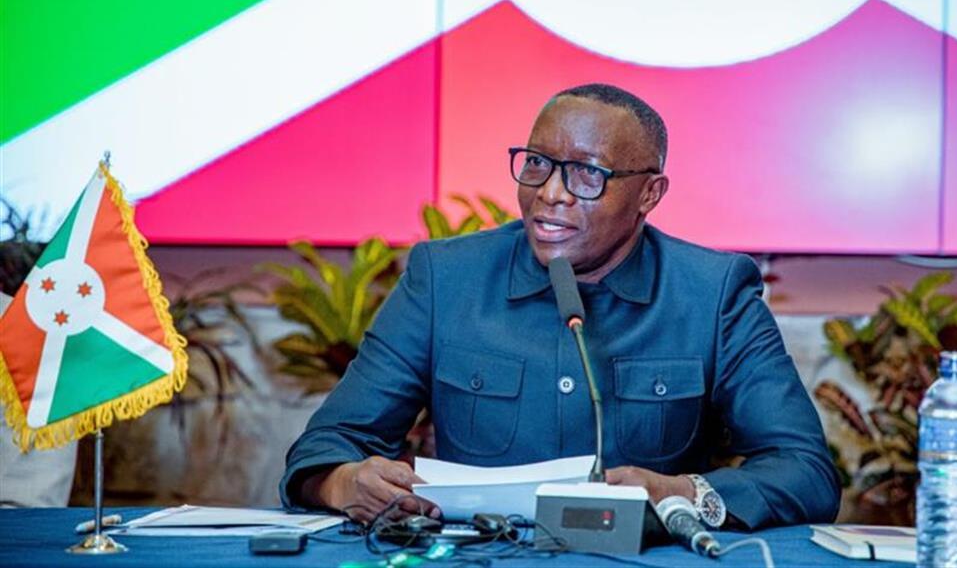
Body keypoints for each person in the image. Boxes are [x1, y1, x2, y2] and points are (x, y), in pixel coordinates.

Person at [280, 83, 840, 530]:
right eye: (537, 164)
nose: (550, 192)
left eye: (588, 173)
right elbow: (325, 449)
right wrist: (343, 483)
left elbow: (805, 471)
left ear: (649, 194)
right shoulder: (445, 279)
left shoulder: (712, 294)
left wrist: (683, 493)